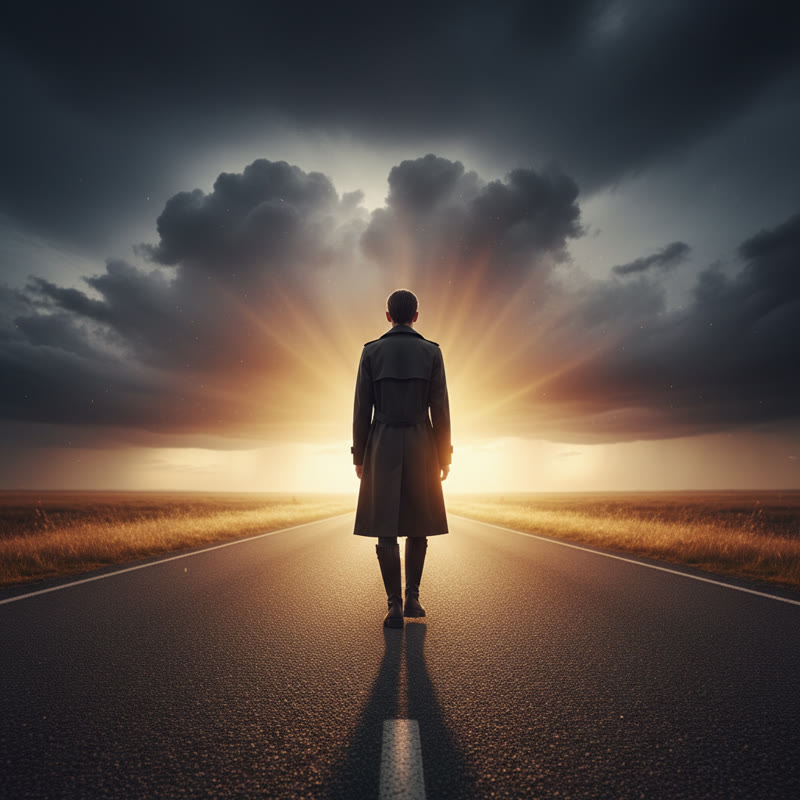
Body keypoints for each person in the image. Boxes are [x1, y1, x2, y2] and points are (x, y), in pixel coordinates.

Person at [351, 288, 452, 628]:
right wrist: (444, 455)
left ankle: (393, 605)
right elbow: (441, 409)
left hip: (381, 443)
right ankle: (414, 597)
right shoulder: (431, 352)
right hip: (423, 442)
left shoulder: (371, 352)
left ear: (388, 316)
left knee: (386, 527)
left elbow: (361, 410)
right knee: (418, 522)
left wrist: (359, 455)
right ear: (417, 316)